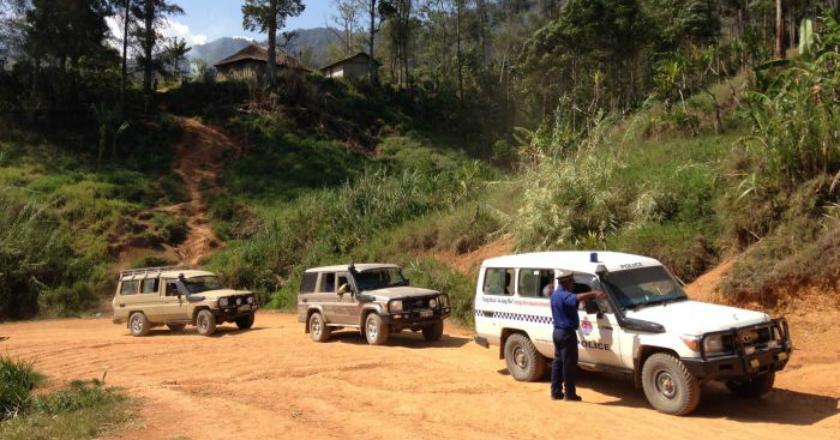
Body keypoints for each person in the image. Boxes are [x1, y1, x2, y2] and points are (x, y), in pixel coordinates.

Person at [550, 270, 607, 401]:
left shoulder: (555, 295)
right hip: (566, 334)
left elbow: (573, 303)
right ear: (566, 282)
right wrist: (594, 293)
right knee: (569, 364)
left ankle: (555, 391)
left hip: (557, 332)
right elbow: (576, 298)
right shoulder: (564, 295)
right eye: (571, 282)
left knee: (558, 362)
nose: (573, 285)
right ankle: (569, 394)